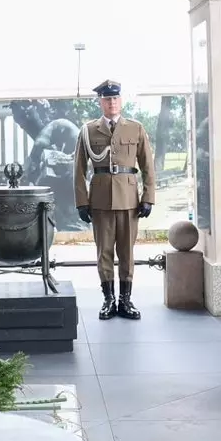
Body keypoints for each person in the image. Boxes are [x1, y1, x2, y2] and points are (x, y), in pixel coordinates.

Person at [73, 80, 155, 320]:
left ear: (121, 100)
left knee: (127, 252)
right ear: (101, 101)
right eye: (107, 99)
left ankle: (125, 300)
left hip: (129, 200)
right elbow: (78, 169)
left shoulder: (135, 128)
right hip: (100, 201)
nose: (112, 103)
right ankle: (108, 300)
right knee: (104, 252)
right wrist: (81, 201)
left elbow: (148, 166)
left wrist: (148, 196)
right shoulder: (88, 130)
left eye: (115, 98)